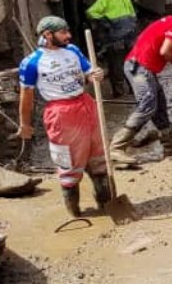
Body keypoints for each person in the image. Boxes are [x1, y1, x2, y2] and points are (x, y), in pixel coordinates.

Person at [16, 16, 109, 217]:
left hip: (86, 104)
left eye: (67, 31)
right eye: (63, 32)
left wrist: (95, 74)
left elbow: (87, 72)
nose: (68, 35)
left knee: (98, 158)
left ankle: (107, 205)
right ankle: (75, 213)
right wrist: (25, 124)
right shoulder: (32, 63)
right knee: (69, 164)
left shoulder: (72, 51)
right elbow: (26, 96)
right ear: (48, 35)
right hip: (61, 113)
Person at [108, 0, 172, 165]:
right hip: (139, 66)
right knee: (148, 104)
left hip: (143, 68)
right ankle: (117, 147)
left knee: (160, 105)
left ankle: (170, 147)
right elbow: (165, 52)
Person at [85, 0, 137, 97]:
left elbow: (132, 12)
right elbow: (91, 12)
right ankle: (119, 93)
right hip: (115, 37)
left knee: (133, 63)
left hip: (129, 35)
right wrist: (106, 23)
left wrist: (133, 21)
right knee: (117, 66)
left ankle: (134, 89)